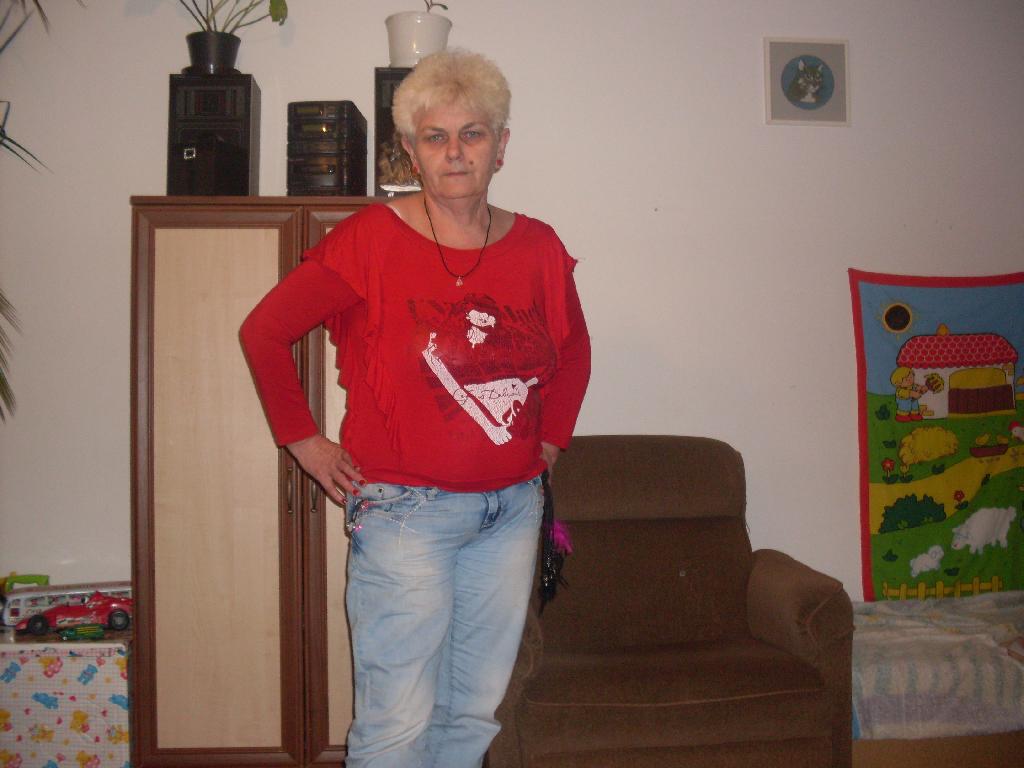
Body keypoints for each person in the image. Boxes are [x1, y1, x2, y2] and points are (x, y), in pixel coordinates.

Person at [239, 49, 591, 768]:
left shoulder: (538, 246)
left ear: (501, 145)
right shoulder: (368, 240)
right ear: (411, 151)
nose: (455, 151)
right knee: (397, 722)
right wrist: (303, 441)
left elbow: (574, 350)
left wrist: (550, 442)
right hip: (405, 512)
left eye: (473, 133)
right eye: (436, 136)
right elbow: (264, 333)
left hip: (512, 511)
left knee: (472, 711)